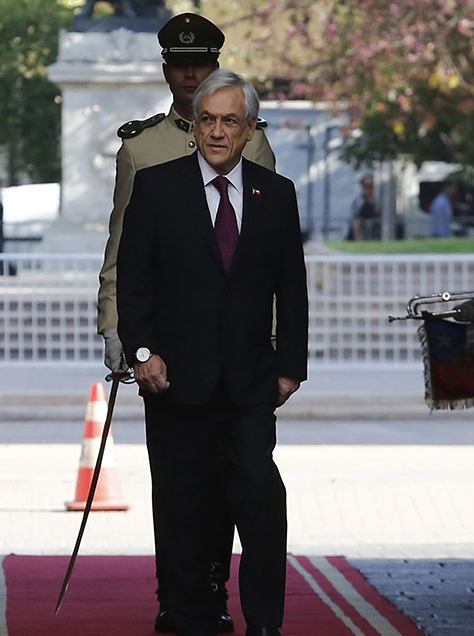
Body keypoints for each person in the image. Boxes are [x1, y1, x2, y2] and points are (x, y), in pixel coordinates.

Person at [95, 12, 277, 633]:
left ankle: (213, 586)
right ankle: (177, 596)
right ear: (166, 69)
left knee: (237, 484)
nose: (190, 74)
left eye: (201, 63)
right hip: (169, 349)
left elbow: (267, 254)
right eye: (180, 65)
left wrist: (274, 345)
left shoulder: (253, 141)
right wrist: (120, 336)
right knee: (176, 483)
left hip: (239, 353)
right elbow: (121, 251)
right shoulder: (142, 148)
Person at [117, 69, 308, 636]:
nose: (217, 132)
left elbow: (290, 287)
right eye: (207, 120)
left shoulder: (276, 195)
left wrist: (291, 367)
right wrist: (142, 352)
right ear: (193, 125)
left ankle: (265, 624)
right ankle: (187, 617)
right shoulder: (157, 186)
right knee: (182, 510)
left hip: (251, 386)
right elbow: (134, 282)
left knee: (261, 507)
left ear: (250, 130)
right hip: (175, 382)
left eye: (230, 121)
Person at [348, 174, 381, 240]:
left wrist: (371, 202)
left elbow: (379, 212)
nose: (368, 189)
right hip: (362, 223)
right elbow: (355, 215)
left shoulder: (377, 199)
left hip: (375, 223)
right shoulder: (358, 200)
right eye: (365, 187)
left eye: (370, 186)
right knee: (356, 224)